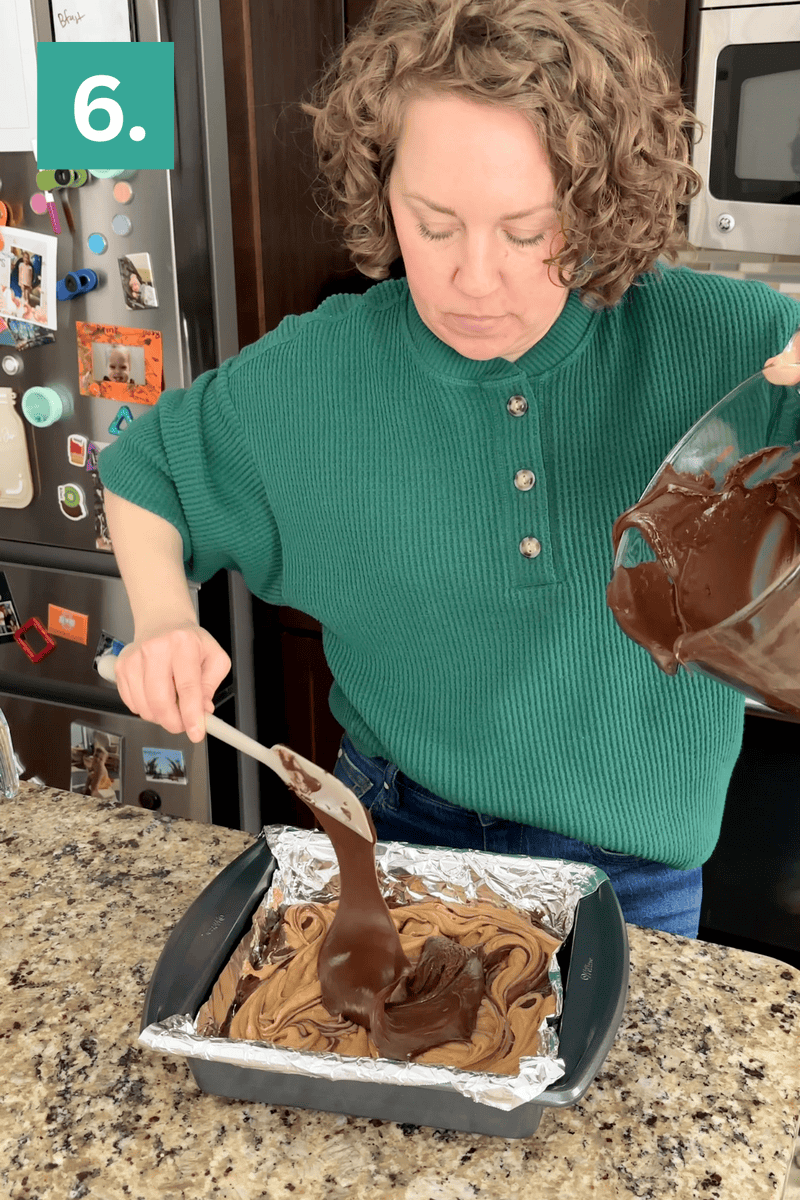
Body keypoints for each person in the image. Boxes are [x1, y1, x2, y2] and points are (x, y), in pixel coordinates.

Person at [98, 0, 800, 938]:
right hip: (390, 829)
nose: (475, 279)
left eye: (526, 233)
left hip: (632, 869)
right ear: (380, 190)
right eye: (433, 225)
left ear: (599, 203)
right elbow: (148, 470)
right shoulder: (322, 368)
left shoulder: (737, 342)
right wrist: (161, 621)